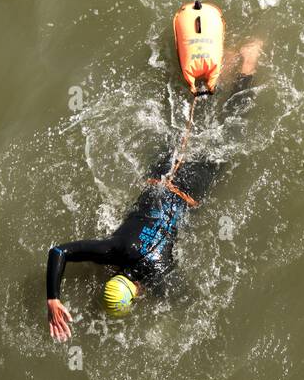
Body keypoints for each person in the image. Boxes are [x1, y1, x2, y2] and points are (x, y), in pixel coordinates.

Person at [46, 39, 263, 337]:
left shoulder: (160, 275)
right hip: (160, 176)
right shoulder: (114, 249)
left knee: (229, 129)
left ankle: (248, 64)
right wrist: (53, 299)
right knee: (191, 121)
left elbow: (198, 306)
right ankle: (216, 68)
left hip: (190, 189)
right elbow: (59, 251)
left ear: (136, 295)